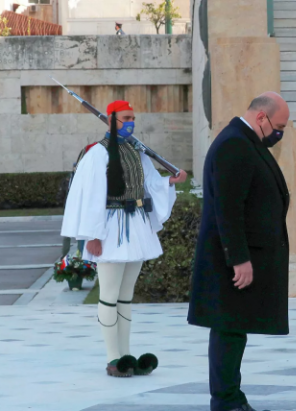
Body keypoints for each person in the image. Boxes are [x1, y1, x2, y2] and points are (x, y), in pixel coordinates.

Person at [62, 100, 187, 377]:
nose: (131, 122)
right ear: (111, 120)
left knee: (125, 297)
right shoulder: (97, 154)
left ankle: (126, 355)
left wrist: (170, 181)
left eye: (133, 117)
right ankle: (112, 358)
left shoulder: (136, 151)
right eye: (125, 118)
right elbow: (91, 196)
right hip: (109, 229)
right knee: (108, 296)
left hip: (136, 226)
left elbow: (150, 182)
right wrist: (93, 235)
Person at [188, 92, 290, 411]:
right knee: (229, 332)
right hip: (230, 260)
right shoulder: (235, 143)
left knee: (234, 330)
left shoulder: (245, 140)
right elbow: (228, 208)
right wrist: (239, 258)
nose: (280, 133)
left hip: (239, 256)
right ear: (261, 117)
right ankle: (226, 401)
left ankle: (231, 398)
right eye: (279, 126)